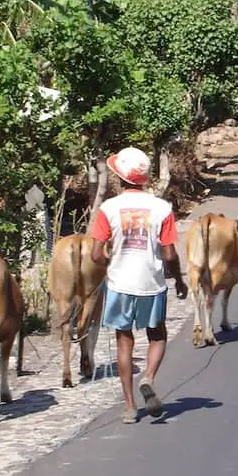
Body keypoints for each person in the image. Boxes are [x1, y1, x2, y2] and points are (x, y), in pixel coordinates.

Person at [90, 146, 188, 424]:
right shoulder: (162, 208)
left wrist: (109, 257)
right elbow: (169, 254)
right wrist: (179, 280)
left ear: (120, 179)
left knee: (124, 341)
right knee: (157, 335)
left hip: (120, 283)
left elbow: (96, 254)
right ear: (145, 179)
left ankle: (130, 408)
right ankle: (148, 377)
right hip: (151, 283)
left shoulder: (108, 209)